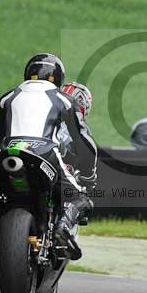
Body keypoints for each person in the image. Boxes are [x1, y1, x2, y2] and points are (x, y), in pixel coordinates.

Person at [0, 54, 96, 256]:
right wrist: (88, 176)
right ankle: (62, 227)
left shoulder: (7, 97)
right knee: (81, 197)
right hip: (44, 154)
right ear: (59, 77)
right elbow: (85, 142)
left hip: (7, 153)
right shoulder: (64, 100)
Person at [59, 81, 97, 224]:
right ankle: (64, 226)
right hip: (58, 166)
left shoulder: (45, 113)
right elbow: (87, 152)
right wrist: (88, 179)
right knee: (82, 198)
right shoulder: (82, 128)